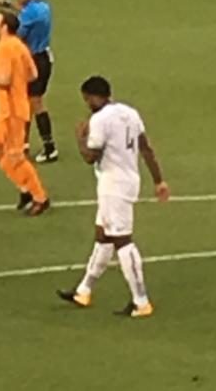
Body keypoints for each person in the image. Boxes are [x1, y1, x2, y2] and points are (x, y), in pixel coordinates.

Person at [57, 76, 169, 318]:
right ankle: (83, 290)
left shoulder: (99, 120)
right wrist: (159, 180)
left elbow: (90, 156)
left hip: (113, 185)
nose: (86, 103)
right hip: (129, 180)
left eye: (87, 99)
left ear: (94, 96)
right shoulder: (130, 113)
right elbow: (146, 148)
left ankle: (141, 301)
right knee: (103, 236)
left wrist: (80, 138)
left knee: (122, 241)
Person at [0, 10, 50, 215]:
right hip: (13, 108)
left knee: (15, 156)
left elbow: (3, 80)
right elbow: (33, 75)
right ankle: (24, 188)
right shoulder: (20, 46)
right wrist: (17, 82)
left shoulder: (4, 48)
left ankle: (40, 196)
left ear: (4, 26)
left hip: (11, 111)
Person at [0, 0, 58, 168]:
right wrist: (7, 4)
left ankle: (48, 147)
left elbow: (17, 33)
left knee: (32, 102)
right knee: (29, 102)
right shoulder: (43, 7)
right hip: (43, 56)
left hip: (33, 60)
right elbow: (25, 12)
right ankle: (23, 144)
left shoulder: (28, 16)